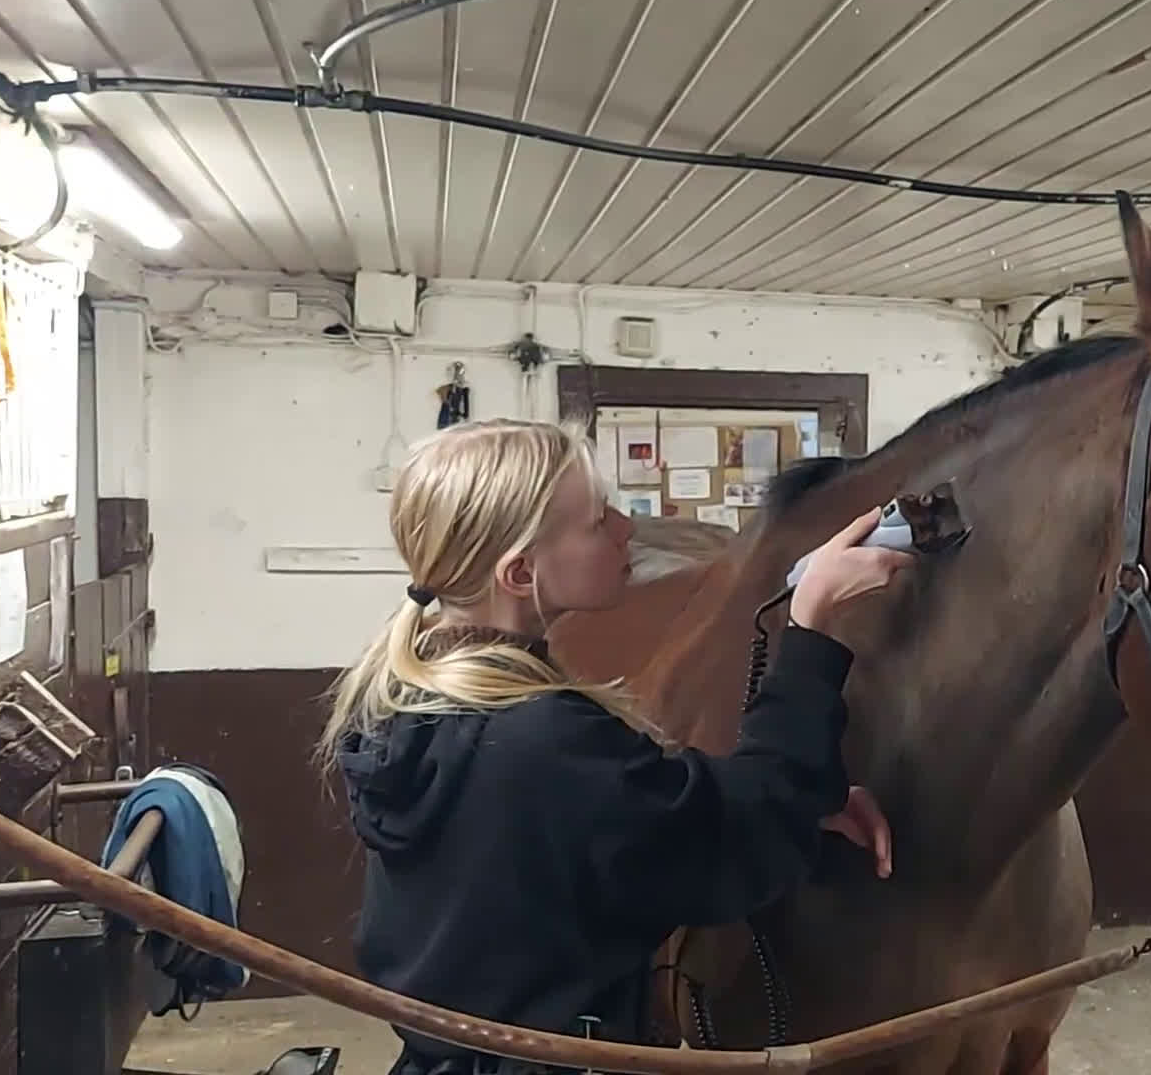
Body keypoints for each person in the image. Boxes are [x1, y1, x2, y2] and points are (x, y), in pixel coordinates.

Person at [316, 417, 912, 1075]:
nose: (628, 529)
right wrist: (813, 626)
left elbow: (616, 817)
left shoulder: (410, 701)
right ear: (520, 573)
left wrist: (805, 804)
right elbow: (737, 842)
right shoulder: (541, 735)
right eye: (598, 520)